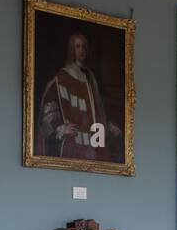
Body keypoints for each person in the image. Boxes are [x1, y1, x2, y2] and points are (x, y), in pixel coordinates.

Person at [38, 31, 120, 161]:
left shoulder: (90, 77)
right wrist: (60, 126)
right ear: (72, 49)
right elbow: (50, 103)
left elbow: (98, 109)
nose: (81, 50)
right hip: (73, 141)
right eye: (77, 46)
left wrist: (108, 126)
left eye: (83, 47)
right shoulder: (63, 76)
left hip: (93, 141)